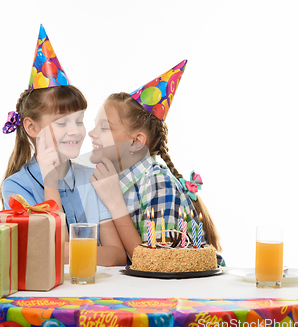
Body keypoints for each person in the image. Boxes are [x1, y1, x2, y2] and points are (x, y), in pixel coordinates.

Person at [0, 25, 126, 266]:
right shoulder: (16, 187)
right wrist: (50, 181)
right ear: (32, 128)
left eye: (79, 120)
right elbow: (46, 254)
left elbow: (118, 255)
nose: (75, 131)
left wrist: (66, 251)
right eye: (62, 122)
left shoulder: (92, 178)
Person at [87, 60, 224, 265]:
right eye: (94, 125)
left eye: (105, 127)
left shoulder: (158, 182)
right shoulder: (111, 181)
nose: (91, 133)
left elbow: (159, 263)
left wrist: (115, 203)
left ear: (136, 142)